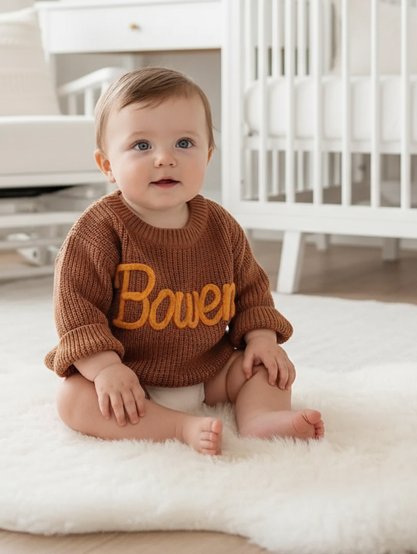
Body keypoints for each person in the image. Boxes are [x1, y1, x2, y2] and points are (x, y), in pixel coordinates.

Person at [45, 67, 324, 455]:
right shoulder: (97, 232)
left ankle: (260, 418)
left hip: (210, 371)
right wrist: (106, 369)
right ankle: (177, 427)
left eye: (184, 143)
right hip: (129, 378)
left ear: (208, 155)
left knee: (268, 368)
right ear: (107, 164)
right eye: (142, 146)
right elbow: (77, 312)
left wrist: (261, 339)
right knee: (73, 399)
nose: (164, 159)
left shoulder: (221, 227)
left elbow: (252, 292)